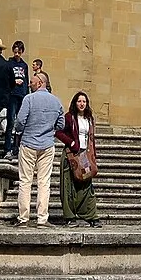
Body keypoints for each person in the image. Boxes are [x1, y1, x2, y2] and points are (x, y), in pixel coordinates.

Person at [12, 72, 64, 227]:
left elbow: (20, 121)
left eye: (32, 82)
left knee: (25, 181)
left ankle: (24, 218)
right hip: (47, 144)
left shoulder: (29, 99)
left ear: (41, 82)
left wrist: (21, 130)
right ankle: (42, 218)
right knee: (44, 182)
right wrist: (49, 129)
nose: (29, 84)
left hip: (28, 142)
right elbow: (61, 124)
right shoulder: (56, 101)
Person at [57, 90, 102, 226]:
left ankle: (91, 216)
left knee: (87, 184)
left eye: (84, 101)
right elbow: (58, 131)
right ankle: (69, 216)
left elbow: (91, 138)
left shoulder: (89, 119)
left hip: (84, 156)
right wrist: (71, 142)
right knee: (68, 186)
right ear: (75, 103)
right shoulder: (69, 117)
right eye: (79, 101)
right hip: (71, 155)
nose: (82, 104)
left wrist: (93, 154)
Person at [5, 42, 31, 158]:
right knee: (10, 122)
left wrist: (27, 96)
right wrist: (14, 82)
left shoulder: (24, 65)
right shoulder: (9, 63)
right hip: (12, 95)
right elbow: (6, 79)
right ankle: (7, 149)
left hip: (22, 95)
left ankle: (17, 148)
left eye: (19, 52)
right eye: (15, 52)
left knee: (21, 123)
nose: (16, 54)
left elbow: (26, 80)